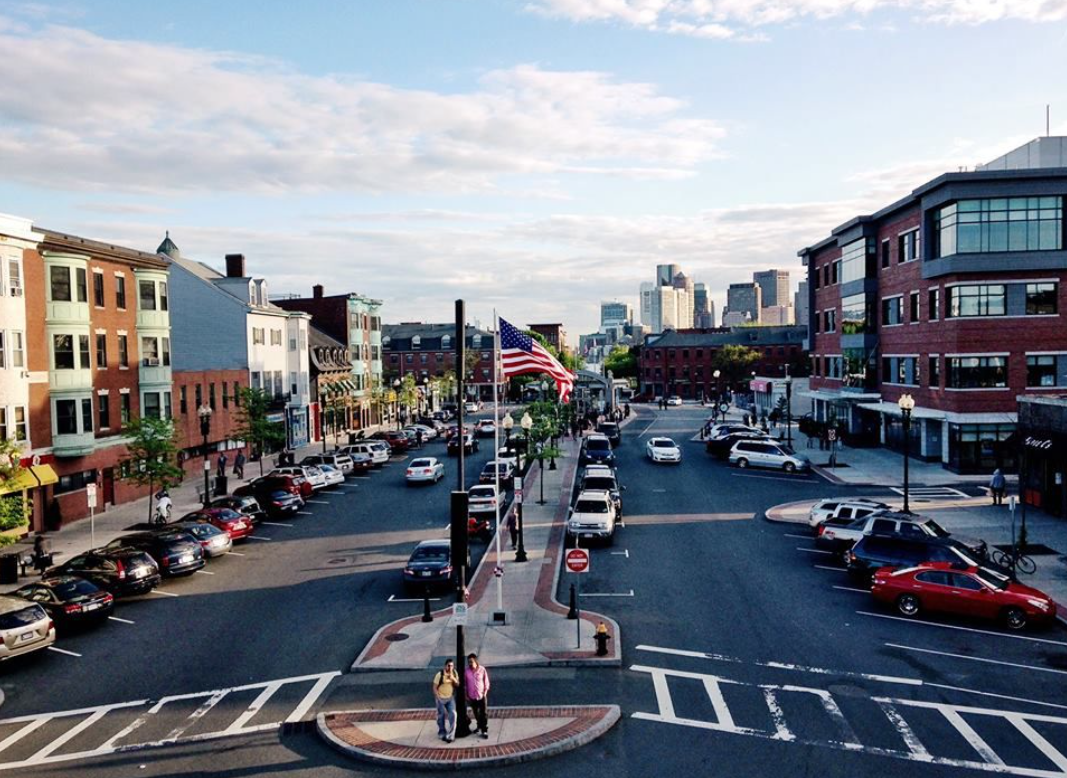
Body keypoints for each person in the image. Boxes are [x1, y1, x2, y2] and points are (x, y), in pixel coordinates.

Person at [432, 659, 459, 742]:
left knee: (453, 714)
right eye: (448, 665)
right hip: (441, 698)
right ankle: (442, 732)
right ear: (445, 666)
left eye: (451, 665)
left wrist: (453, 678)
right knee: (441, 715)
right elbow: (434, 687)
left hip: (450, 698)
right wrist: (438, 697)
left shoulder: (454, 673)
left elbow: (457, 684)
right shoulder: (440, 674)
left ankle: (451, 736)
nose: (450, 667)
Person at [465, 653, 491, 738]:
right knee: (476, 713)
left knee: (483, 713)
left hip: (481, 695)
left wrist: (485, 692)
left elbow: (486, 681)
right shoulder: (466, 671)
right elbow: (465, 684)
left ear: (475, 661)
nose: (470, 664)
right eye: (468, 662)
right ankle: (479, 725)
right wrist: (466, 695)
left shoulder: (482, 669)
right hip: (472, 696)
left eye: (471, 662)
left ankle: (484, 730)